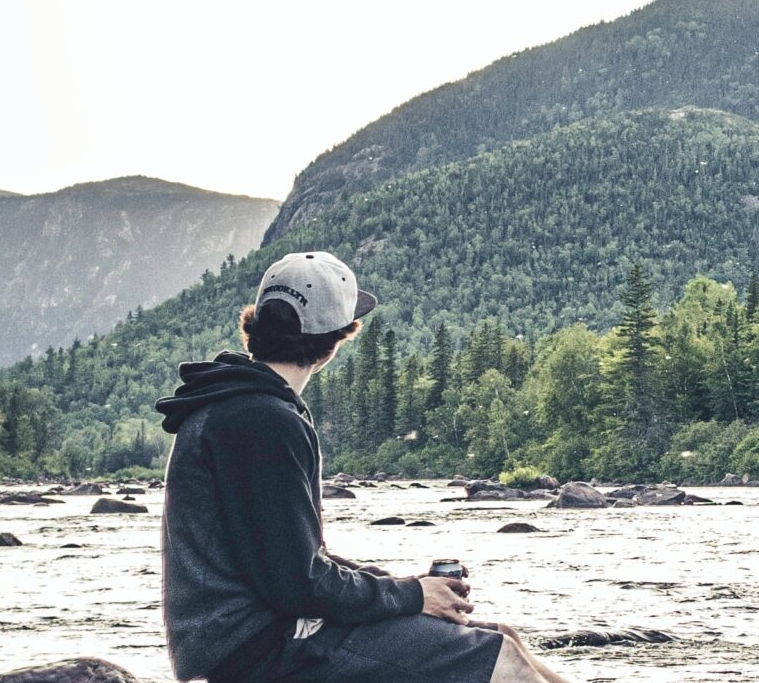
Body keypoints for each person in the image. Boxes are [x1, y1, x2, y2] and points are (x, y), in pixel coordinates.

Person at [157, 250, 573, 683]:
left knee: (502, 636)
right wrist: (412, 595)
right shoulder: (261, 420)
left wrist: (406, 589)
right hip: (258, 646)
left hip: (254, 636)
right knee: (498, 659)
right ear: (337, 338)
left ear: (258, 325)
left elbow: (290, 560)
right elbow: (298, 584)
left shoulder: (237, 406)